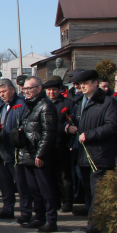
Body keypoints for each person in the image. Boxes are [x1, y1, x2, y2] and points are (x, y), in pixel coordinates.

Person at [65, 70, 117, 233]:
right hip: (83, 156)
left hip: (100, 155)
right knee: (88, 193)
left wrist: (90, 134)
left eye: (86, 83)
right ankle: (93, 222)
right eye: (80, 84)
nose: (82, 87)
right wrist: (68, 128)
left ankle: (95, 227)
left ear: (95, 83)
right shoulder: (80, 101)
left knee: (98, 193)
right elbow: (72, 120)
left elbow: (112, 126)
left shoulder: (107, 102)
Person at [11, 77, 58, 232]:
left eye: (30, 89)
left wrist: (41, 154)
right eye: (25, 89)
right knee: (34, 189)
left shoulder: (46, 106)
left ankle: (51, 220)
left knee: (46, 189)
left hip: (39, 156)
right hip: (27, 154)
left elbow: (49, 134)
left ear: (39, 88)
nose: (27, 92)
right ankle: (39, 217)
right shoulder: (29, 105)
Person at [0, 79, 25, 220]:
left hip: (14, 150)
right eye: (0, 92)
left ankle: (25, 211)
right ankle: (7, 208)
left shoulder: (21, 105)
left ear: (13, 90)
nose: (2, 95)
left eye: (4, 91)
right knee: (5, 182)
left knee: (21, 183)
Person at [44, 76, 75, 213]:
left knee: (64, 177)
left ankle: (67, 201)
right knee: (50, 177)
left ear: (59, 90)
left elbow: (73, 122)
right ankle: (55, 202)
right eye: (49, 90)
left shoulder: (68, 103)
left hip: (63, 145)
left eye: (54, 90)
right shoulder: (43, 103)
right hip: (48, 146)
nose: (51, 92)